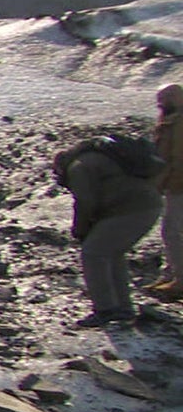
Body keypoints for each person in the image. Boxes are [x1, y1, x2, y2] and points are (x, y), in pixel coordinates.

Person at [53, 140, 161, 327]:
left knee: (93, 254)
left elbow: (85, 202)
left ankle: (106, 309)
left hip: (129, 211)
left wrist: (80, 230)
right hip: (149, 205)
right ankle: (123, 308)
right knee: (113, 254)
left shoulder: (78, 168)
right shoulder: (97, 157)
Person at [149, 83, 183, 298]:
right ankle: (170, 274)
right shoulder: (169, 121)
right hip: (173, 184)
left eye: (167, 97)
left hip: (178, 185)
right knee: (170, 231)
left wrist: (164, 183)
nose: (161, 102)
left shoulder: (178, 123)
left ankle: (179, 279)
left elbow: (177, 158)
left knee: (172, 232)